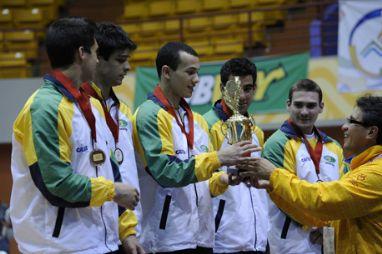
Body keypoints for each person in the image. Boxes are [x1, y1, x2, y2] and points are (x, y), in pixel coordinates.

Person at [10, 17, 138, 254]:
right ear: (82, 53)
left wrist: (125, 230)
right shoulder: (43, 107)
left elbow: (110, 169)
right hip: (57, 246)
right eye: (96, 52)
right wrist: (113, 191)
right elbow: (56, 184)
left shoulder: (91, 105)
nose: (99, 59)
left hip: (99, 242)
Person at [132, 42, 260, 254]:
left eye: (197, 73)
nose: (197, 80)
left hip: (201, 236)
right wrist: (218, 158)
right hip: (165, 239)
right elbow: (166, 173)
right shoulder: (149, 115)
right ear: (166, 72)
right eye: (190, 72)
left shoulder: (196, 121)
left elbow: (202, 184)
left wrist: (225, 179)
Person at [243, 95, 382, 253]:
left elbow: (322, 200)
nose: (344, 126)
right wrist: (275, 188)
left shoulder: (376, 173)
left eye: (352, 121)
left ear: (371, 132)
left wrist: (274, 175)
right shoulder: (359, 168)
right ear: (288, 105)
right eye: (298, 104)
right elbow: (325, 215)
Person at [82, 22, 144, 254]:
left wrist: (130, 230)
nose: (128, 67)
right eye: (120, 60)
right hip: (95, 233)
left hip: (132, 233)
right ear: (98, 58)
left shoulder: (125, 113)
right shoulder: (79, 111)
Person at [261, 79, 343, 253]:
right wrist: (319, 224)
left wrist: (329, 227)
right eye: (298, 105)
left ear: (321, 107)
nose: (304, 111)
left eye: (311, 106)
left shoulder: (334, 146)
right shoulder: (277, 144)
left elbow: (341, 192)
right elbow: (282, 195)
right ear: (288, 105)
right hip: (290, 242)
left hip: (327, 239)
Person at [203, 58, 269, 254]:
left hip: (257, 239)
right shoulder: (205, 125)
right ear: (223, 88)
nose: (241, 95)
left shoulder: (256, 131)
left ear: (255, 88)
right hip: (222, 241)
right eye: (235, 88)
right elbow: (199, 182)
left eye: (248, 88)